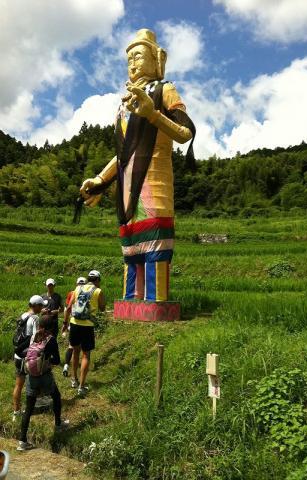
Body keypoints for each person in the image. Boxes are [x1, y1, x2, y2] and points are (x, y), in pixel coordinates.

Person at [79, 29, 195, 303]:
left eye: (138, 55)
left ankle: (155, 302)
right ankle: (131, 299)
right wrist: (99, 180)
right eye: (129, 58)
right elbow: (122, 154)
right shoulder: (122, 107)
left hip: (155, 182)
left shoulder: (164, 90)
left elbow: (185, 133)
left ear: (156, 59)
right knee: (131, 250)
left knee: (155, 246)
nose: (132, 63)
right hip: (128, 188)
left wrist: (152, 114)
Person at [17, 315, 69, 451]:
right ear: (51, 327)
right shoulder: (51, 340)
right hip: (45, 375)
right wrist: (46, 361)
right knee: (56, 396)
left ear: (39, 325)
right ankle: (58, 424)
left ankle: (22, 441)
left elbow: (18, 350)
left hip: (31, 377)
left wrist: (30, 358)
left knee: (28, 408)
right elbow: (57, 360)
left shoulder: (32, 337)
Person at [63, 270, 105, 396]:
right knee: (86, 355)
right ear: (97, 280)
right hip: (87, 325)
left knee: (75, 351)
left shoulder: (78, 289)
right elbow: (102, 308)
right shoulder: (98, 291)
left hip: (74, 323)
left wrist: (65, 324)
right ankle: (81, 386)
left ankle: (74, 380)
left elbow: (69, 307)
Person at [12, 295, 45, 422]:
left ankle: (16, 412)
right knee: (34, 382)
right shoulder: (35, 318)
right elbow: (37, 338)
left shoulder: (23, 316)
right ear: (36, 305)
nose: (41, 308)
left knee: (18, 384)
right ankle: (35, 406)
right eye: (41, 306)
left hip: (18, 355)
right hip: (29, 357)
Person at [62, 276, 86, 377]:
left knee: (72, 346)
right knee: (81, 348)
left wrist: (65, 323)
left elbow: (67, 309)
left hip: (73, 323)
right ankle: (76, 372)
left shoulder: (72, 293)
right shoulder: (88, 294)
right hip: (85, 324)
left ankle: (66, 366)